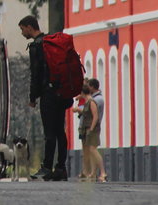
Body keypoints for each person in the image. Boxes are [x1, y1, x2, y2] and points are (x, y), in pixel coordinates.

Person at [19, 15, 71, 181]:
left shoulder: (36, 46)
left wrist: (33, 97)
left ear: (29, 27)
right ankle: (61, 167)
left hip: (48, 95)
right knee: (59, 131)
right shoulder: (51, 41)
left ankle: (47, 167)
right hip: (61, 92)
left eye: (22, 29)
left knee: (49, 132)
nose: (22, 33)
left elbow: (36, 74)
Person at [74, 83, 103, 181]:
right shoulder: (88, 101)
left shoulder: (91, 102)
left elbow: (95, 116)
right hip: (87, 128)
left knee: (92, 150)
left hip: (91, 129)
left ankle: (102, 172)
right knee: (89, 151)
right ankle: (92, 173)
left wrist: (91, 128)